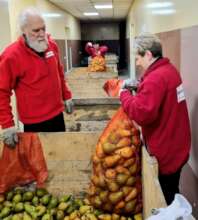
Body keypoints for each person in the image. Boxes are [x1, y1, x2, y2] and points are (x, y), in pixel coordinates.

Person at [119, 33, 191, 205]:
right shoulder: (169, 70)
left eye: (138, 58)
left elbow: (141, 114)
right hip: (178, 146)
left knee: (165, 196)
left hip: (166, 151)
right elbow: (159, 97)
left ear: (149, 55)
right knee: (172, 189)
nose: (136, 63)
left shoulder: (156, 78)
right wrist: (140, 86)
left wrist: (124, 95)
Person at [0, 7, 74, 148]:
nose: (41, 34)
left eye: (43, 29)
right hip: (34, 121)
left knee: (60, 153)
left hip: (57, 114)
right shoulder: (11, 56)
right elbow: (1, 92)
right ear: (23, 31)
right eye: (36, 31)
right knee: (38, 163)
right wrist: (7, 125)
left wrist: (67, 96)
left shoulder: (51, 45)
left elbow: (59, 73)